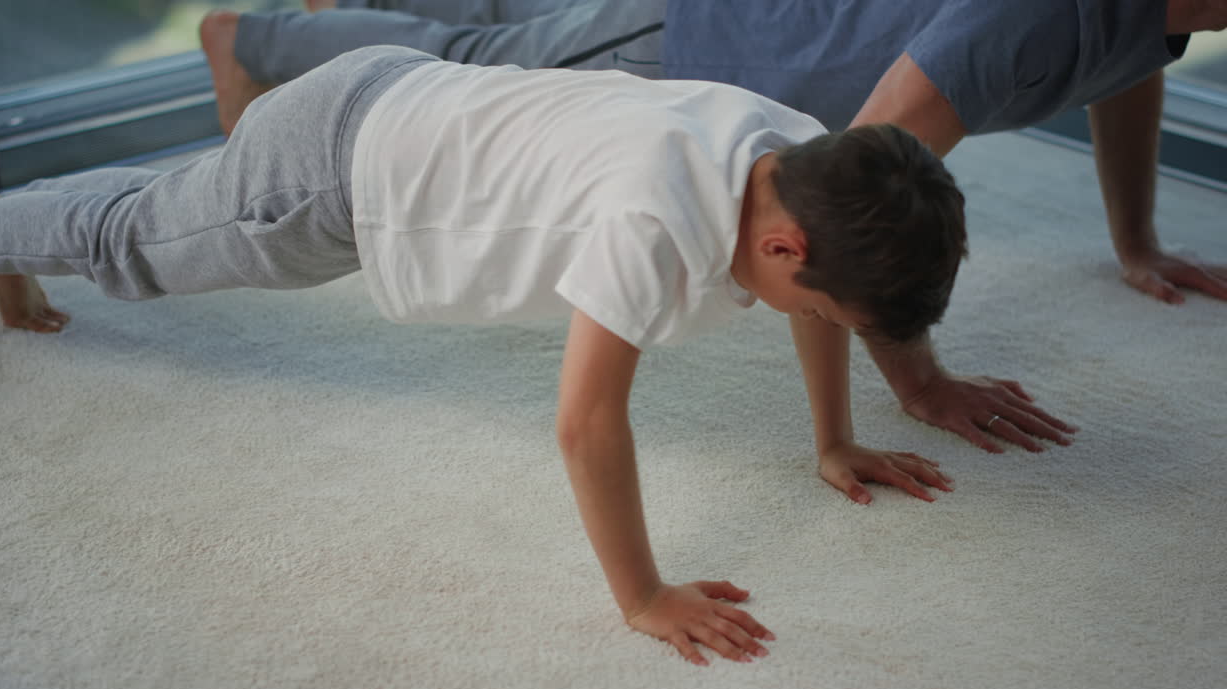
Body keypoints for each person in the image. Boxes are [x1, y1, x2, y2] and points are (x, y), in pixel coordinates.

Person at [0, 47, 968, 664]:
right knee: (139, 245)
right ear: (785, 246)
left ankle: (5, 224)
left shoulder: (794, 151)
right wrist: (645, 598)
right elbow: (584, 424)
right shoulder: (651, 218)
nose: (816, 321)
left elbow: (812, 303)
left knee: (157, 211)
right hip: (337, 177)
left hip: (402, 100)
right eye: (824, 309)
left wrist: (832, 443)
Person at [200, 0, 1227, 477]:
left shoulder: (1151, 14)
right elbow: (857, 201)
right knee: (472, 60)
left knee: (510, 29)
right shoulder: (1027, 17)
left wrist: (1131, 241)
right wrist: (914, 383)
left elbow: (1123, 67)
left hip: (735, 76)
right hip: (689, 52)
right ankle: (249, 35)